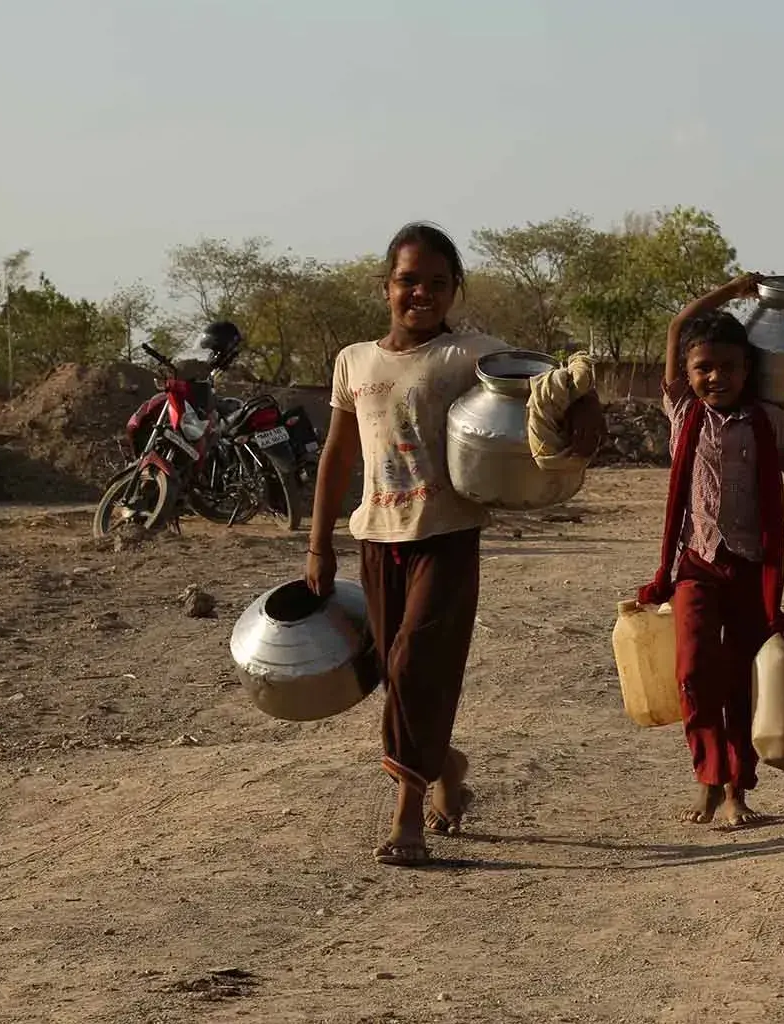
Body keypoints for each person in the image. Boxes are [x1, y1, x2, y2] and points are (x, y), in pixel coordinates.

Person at [305, 222, 605, 867]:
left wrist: (585, 415)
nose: (422, 293)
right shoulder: (354, 361)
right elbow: (337, 454)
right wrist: (318, 544)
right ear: (386, 285)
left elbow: (555, 383)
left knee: (417, 666)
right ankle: (445, 765)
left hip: (446, 533)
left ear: (454, 290)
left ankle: (407, 817)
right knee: (395, 673)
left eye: (438, 283)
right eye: (409, 280)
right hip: (376, 536)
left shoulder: (468, 355)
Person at [636, 272, 784, 829]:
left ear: (747, 369)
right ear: (688, 375)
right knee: (697, 671)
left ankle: (736, 790)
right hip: (696, 565)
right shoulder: (682, 412)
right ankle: (706, 776)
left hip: (752, 567)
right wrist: (734, 289)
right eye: (704, 368)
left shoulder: (767, 421)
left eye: (728, 366)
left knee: (747, 677)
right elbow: (681, 324)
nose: (715, 377)